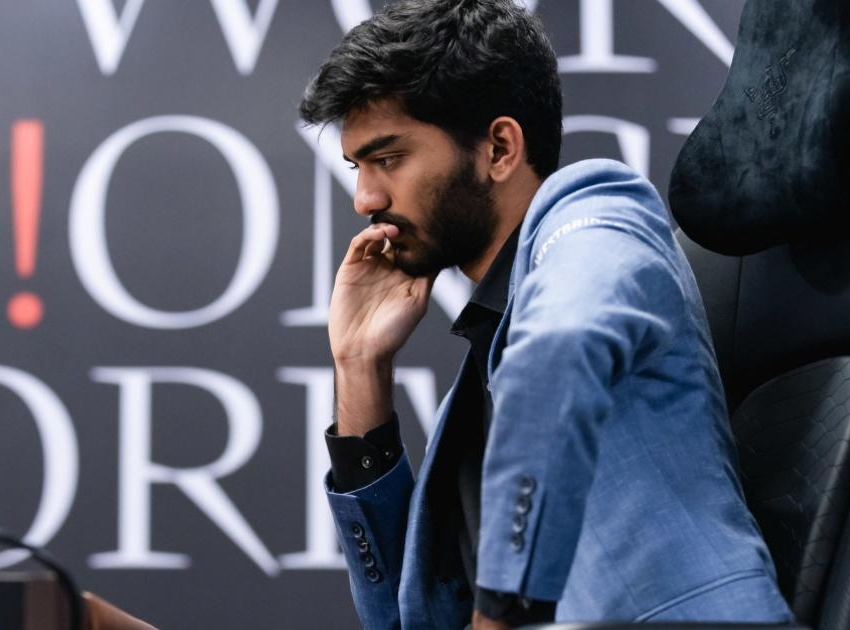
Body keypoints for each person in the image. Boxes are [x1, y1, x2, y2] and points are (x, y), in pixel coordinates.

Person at [297, 1, 794, 628]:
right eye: (357, 168)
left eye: (389, 158)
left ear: (500, 148)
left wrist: (503, 608)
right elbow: (404, 618)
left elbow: (561, 348)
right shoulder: (489, 351)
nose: (365, 198)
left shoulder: (593, 208)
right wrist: (359, 366)